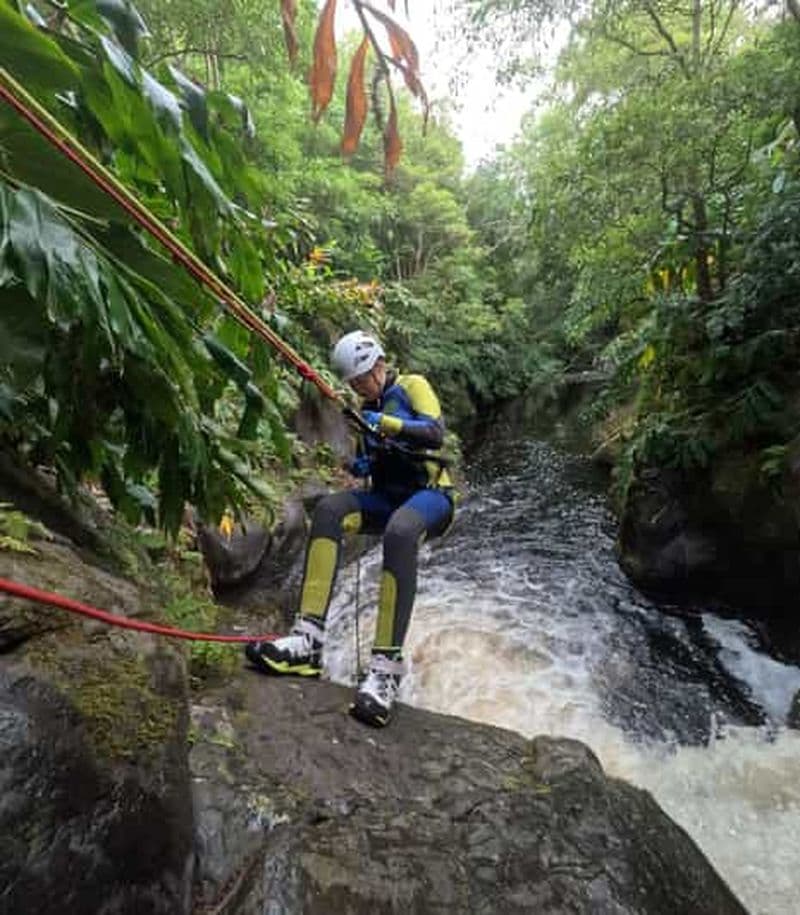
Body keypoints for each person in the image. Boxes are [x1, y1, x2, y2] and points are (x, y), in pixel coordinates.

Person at [246, 330, 454, 727]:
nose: (360, 385)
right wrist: (360, 463)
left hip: (431, 497)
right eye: (354, 382)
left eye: (363, 377)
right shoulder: (364, 407)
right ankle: (307, 642)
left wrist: (387, 423)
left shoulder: (413, 386)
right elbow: (368, 462)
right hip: (390, 498)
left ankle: (384, 671)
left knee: (400, 531)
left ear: (379, 363)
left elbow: (434, 432)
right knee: (329, 510)